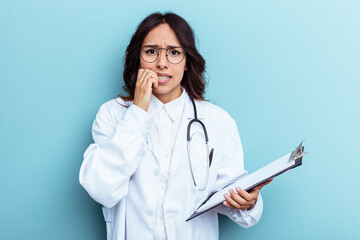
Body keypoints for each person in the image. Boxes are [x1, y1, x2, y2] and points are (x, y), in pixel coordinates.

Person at [79, 12, 271, 240]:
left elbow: (230, 197)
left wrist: (247, 202)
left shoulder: (218, 121)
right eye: (151, 51)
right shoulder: (112, 114)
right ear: (137, 58)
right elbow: (102, 188)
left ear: (187, 62)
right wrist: (138, 112)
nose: (162, 63)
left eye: (174, 52)